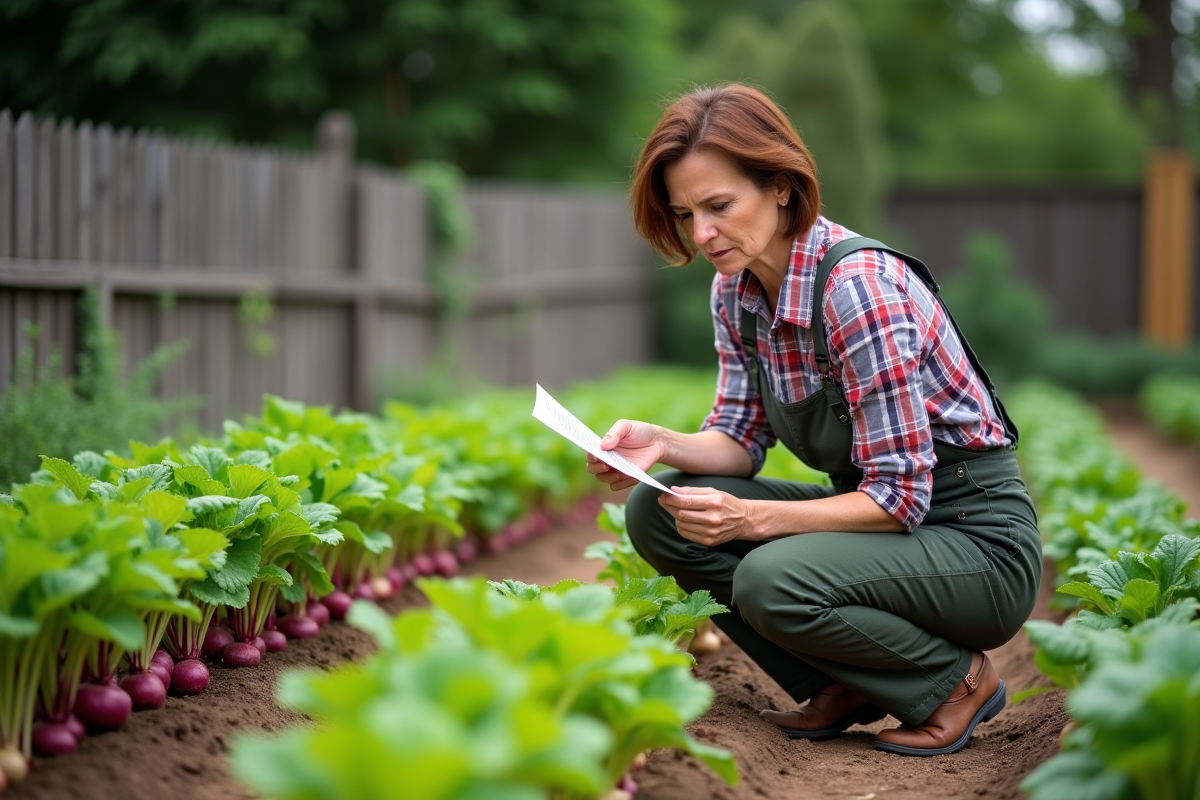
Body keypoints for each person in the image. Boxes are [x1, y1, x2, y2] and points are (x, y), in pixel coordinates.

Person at [586, 84, 1042, 757]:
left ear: (779, 186)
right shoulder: (736, 290)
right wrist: (660, 443)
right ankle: (847, 681)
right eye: (685, 214)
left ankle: (954, 682)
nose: (702, 234)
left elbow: (900, 496)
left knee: (770, 580)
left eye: (718, 206)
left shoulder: (856, 290)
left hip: (974, 543)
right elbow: (741, 441)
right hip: (884, 527)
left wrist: (753, 521)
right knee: (659, 513)